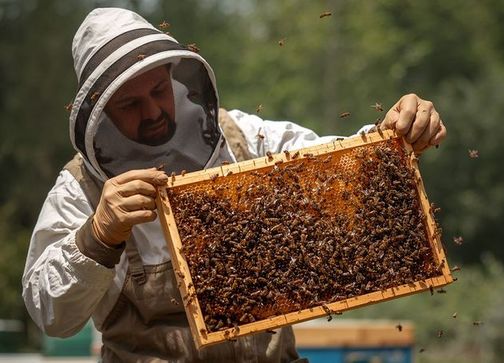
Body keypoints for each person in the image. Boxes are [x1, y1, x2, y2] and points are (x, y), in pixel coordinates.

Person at [22, 7, 446, 363]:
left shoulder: (244, 138)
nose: (153, 112)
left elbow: (336, 164)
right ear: (101, 112)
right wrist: (97, 237)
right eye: (130, 104)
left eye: (158, 91)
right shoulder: (80, 189)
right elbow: (50, 315)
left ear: (174, 76)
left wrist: (393, 136)